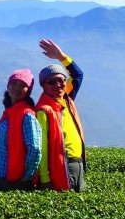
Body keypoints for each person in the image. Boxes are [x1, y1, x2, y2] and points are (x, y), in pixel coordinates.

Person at [35, 39, 87, 192]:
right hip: (62, 166)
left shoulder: (66, 98)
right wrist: (45, 179)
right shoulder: (43, 110)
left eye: (61, 80)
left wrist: (61, 57)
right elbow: (41, 149)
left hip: (78, 164)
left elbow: (78, 75)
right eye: (51, 82)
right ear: (43, 85)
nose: (58, 85)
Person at [0, 69, 42, 191]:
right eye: (14, 83)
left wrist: (27, 176)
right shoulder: (10, 111)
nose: (17, 87)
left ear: (28, 91)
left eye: (23, 85)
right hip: (0, 176)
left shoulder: (27, 115)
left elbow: (35, 148)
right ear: (8, 85)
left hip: (15, 180)